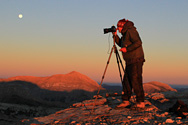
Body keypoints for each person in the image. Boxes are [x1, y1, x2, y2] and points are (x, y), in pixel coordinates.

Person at [112, 18, 145, 108]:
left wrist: (127, 49)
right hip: (130, 60)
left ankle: (140, 102)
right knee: (126, 80)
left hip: (136, 59)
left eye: (118, 27)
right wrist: (115, 36)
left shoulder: (130, 31)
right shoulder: (125, 33)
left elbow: (138, 42)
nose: (118, 29)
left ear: (122, 26)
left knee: (135, 80)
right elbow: (122, 44)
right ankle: (126, 100)